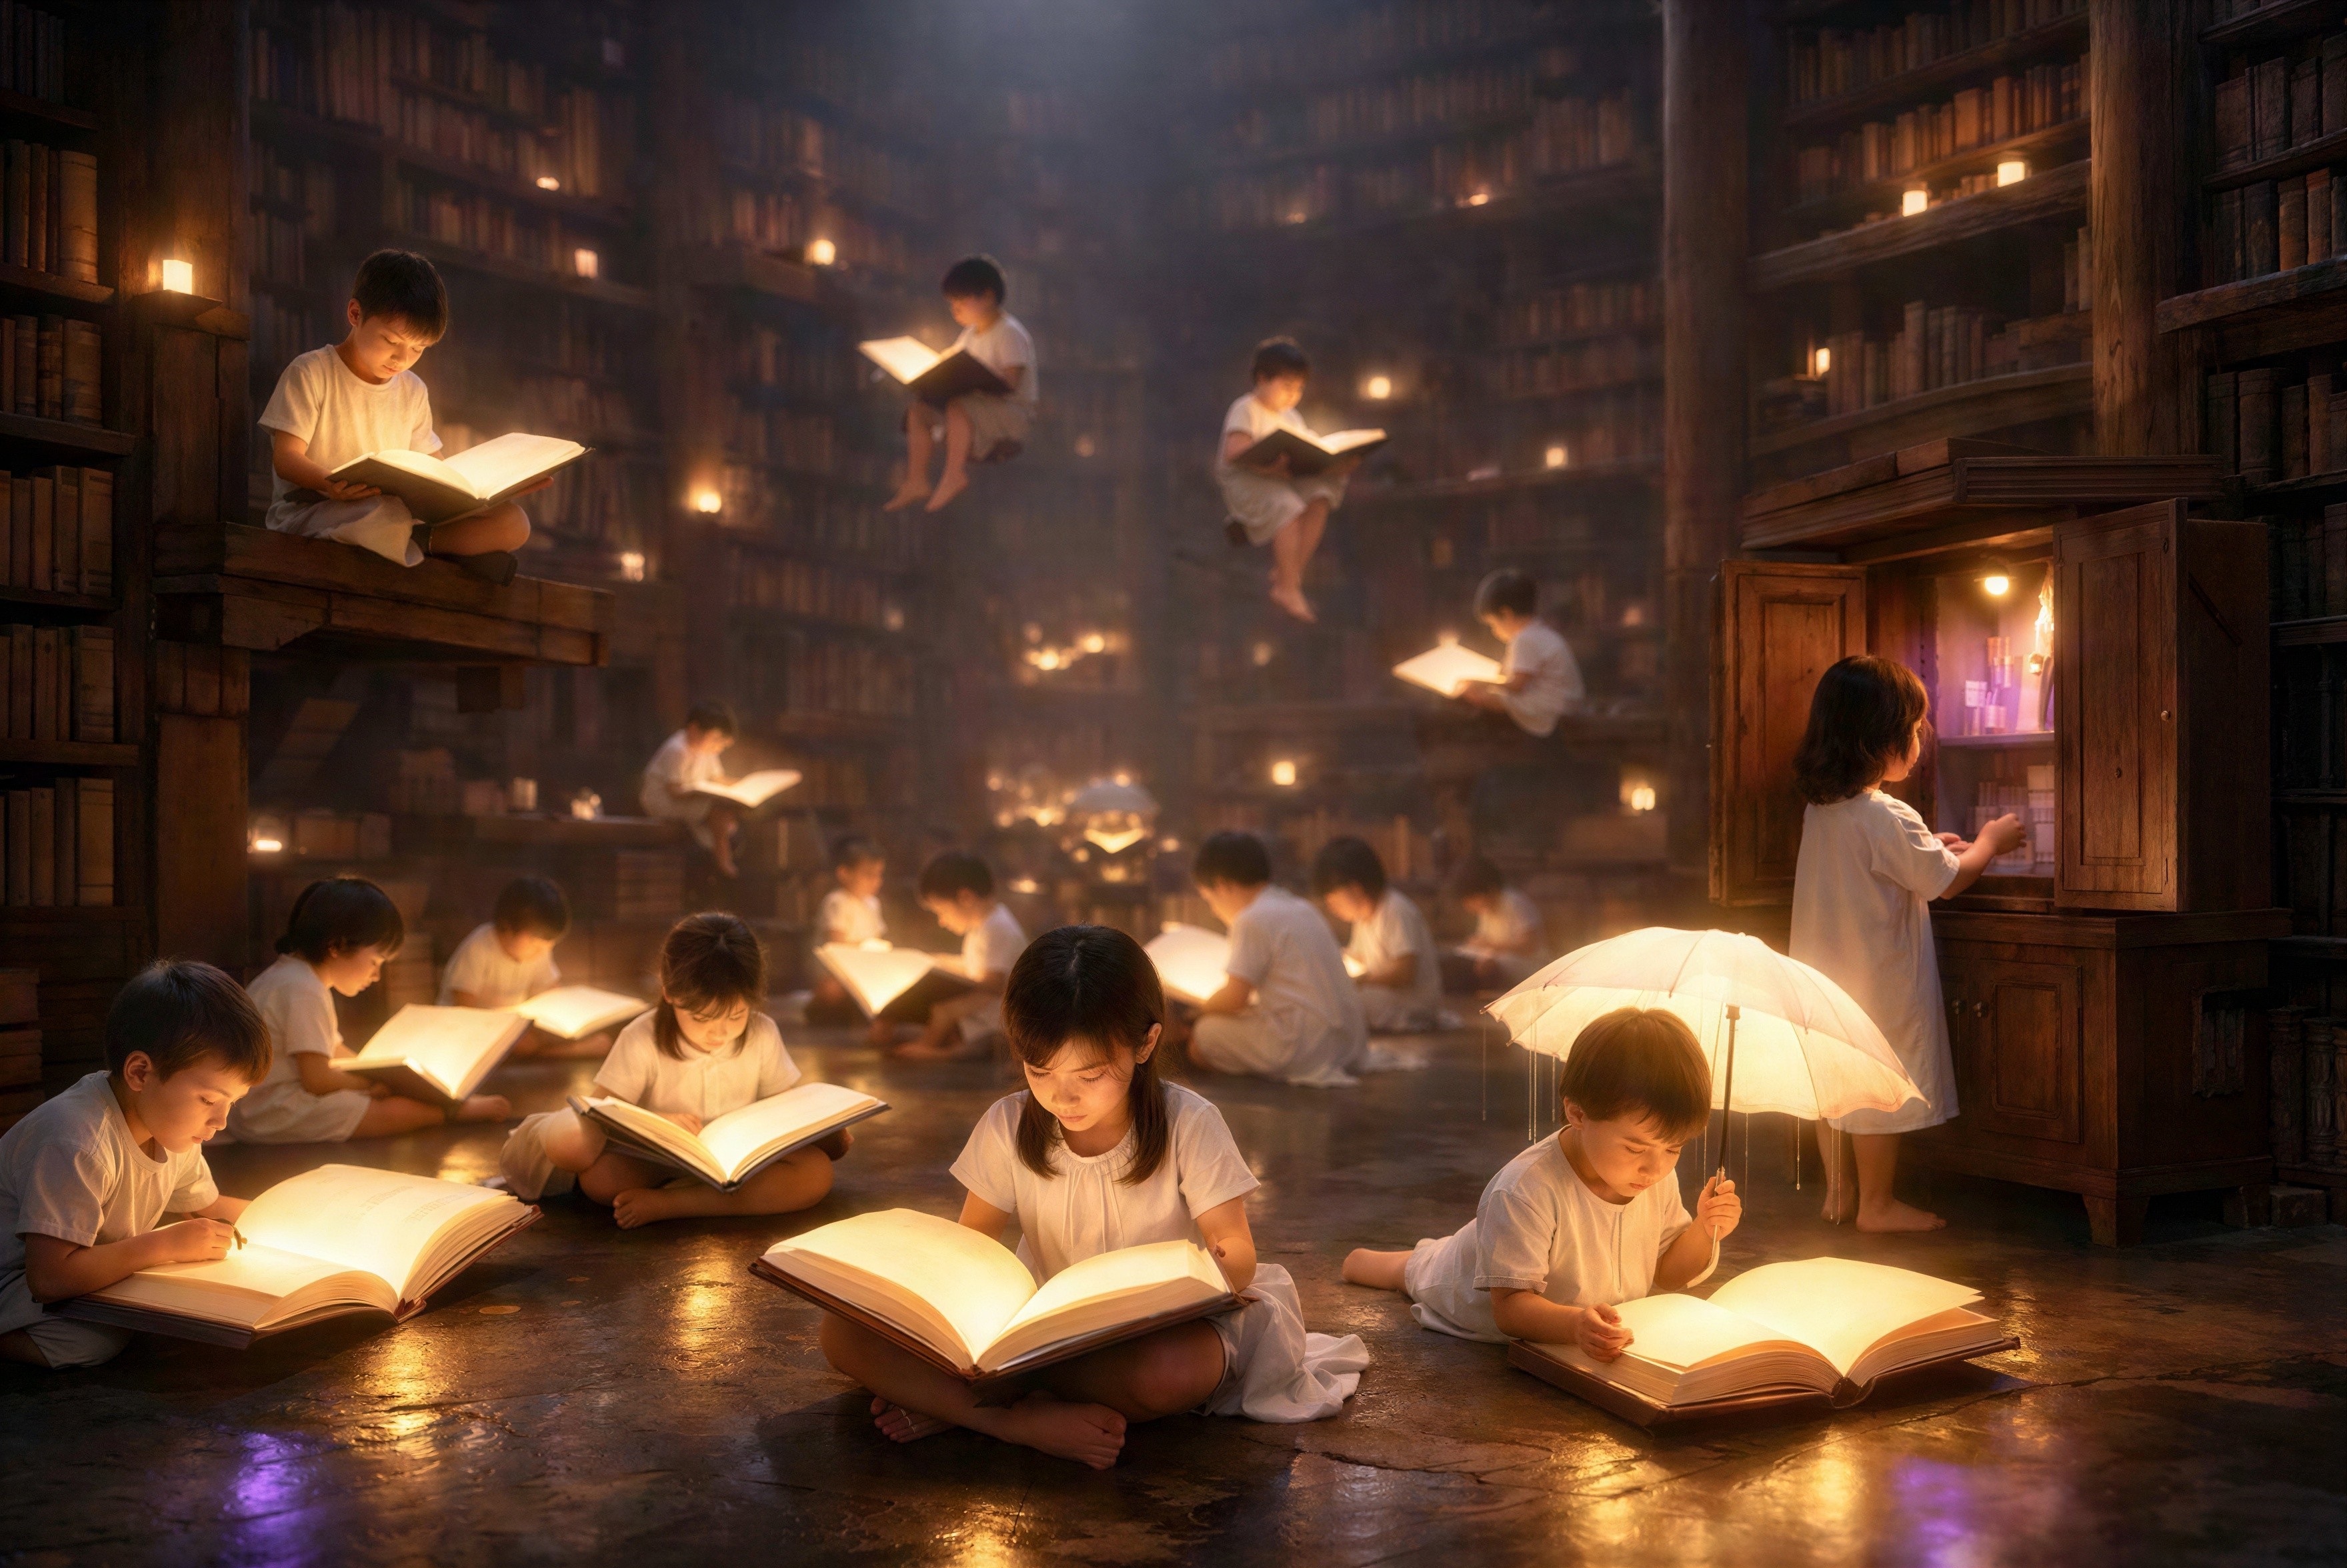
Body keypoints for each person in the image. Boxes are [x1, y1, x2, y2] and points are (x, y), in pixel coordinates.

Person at [819, 925, 1368, 1468]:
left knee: (1165, 1374)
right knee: (841, 1332)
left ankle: (968, 1400)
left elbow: (1238, 1251)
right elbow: (972, 1253)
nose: (1064, 1097)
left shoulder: (1188, 1123)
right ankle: (1009, 1418)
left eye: (1090, 1075)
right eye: (1040, 1071)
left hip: (1157, 1331)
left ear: (1145, 1043)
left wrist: (1212, 1271)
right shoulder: (1008, 1125)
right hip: (1046, 1328)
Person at [1343, 1007, 1740, 1355]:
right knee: (1417, 1269)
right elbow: (1510, 1307)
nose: (1655, 1168)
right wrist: (1574, 1326)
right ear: (1578, 1113)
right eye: (1635, 1148)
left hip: (1546, 1285)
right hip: (1467, 1287)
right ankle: (1369, 1260)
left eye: (1674, 1148)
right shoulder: (1525, 1189)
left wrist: (1706, 1230)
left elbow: (1666, 1273)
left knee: (1443, 1252)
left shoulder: (1654, 1176)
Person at [1790, 655, 2024, 1233]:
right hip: (1879, 979)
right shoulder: (1888, 814)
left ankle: (1839, 1194)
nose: (1922, 739)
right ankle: (1877, 1204)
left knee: (1833, 1084)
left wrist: (1930, 845)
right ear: (1880, 739)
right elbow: (1949, 880)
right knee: (1877, 1084)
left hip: (1825, 977)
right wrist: (1989, 842)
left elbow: (1893, 862)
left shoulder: (1824, 809)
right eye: (1914, 728)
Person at [497, 912, 848, 1228]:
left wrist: (820, 1131)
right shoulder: (642, 1036)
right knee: (601, 1178)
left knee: (815, 1173)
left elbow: (785, 1108)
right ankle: (693, 1192)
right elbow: (601, 1114)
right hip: (663, 1162)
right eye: (702, 1018)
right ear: (669, 992)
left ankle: (677, 1204)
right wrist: (658, 1121)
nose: (719, 1033)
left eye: (736, 1015)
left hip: (738, 1163)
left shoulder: (762, 1032)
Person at [0, 962, 269, 1369]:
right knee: (88, 1340)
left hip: (75, 1268)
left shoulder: (173, 1129)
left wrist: (295, 1217)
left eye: (233, 1102)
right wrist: (165, 1245)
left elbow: (207, 1206)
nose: (221, 1121)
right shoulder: (78, 1141)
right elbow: (50, 1278)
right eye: (209, 1100)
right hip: (15, 1277)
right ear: (140, 1073)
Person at [258, 248, 545, 583]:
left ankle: (415, 542)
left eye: (418, 349)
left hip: (396, 515)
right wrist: (330, 484)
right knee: (380, 512)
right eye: (391, 340)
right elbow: (287, 458)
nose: (402, 358)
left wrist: (490, 492)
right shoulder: (312, 372)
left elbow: (435, 467)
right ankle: (428, 545)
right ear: (355, 314)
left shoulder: (412, 389)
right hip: (317, 510)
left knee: (514, 522)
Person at [229, 878, 510, 1143]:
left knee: (378, 1097)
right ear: (337, 945)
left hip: (255, 1108)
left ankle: (446, 1103)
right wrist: (370, 1085)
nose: (376, 976)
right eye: (375, 962)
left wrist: (382, 1073)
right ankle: (453, 1112)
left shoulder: (292, 977)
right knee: (386, 1111)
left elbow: (333, 1050)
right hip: (271, 1112)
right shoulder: (304, 989)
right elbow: (318, 1080)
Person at [1178, 831, 1367, 1086]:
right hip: (1349, 1046)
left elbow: (1235, 999)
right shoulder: (1302, 908)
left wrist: (1199, 1011)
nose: (1214, 911)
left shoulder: (1252, 918)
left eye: (1210, 900)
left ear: (1223, 886)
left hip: (1307, 1048)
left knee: (1205, 1033)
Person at [1216, 337, 1360, 623]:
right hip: (1247, 481)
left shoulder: (1291, 418)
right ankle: (1288, 587)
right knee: (1289, 509)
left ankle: (1289, 575)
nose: (1293, 396)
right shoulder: (1246, 408)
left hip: (1281, 479)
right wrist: (1268, 464)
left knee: (1321, 495)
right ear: (1262, 379)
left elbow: (1306, 453)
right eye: (1287, 387)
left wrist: (1336, 464)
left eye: (1299, 389)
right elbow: (1234, 451)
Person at [884, 254, 1035, 514]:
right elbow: (949, 363)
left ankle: (954, 474)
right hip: (974, 409)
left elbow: (1012, 381)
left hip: (1009, 414)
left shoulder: (1009, 331)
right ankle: (916, 480)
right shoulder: (969, 335)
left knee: (958, 406)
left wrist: (972, 381)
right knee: (918, 411)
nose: (955, 309)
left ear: (987, 296)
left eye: (961, 301)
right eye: (952, 303)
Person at [439, 875, 603, 1059]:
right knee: (524, 1044)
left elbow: (551, 995)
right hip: (471, 1030)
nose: (543, 951)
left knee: (593, 1038)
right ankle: (557, 1054)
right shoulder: (479, 947)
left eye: (549, 945)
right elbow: (464, 1011)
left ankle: (554, 1051)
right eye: (535, 942)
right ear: (507, 927)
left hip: (515, 1027)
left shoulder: (539, 952)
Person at [893, 851, 1027, 1061]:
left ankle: (937, 1054)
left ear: (966, 898)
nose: (942, 921)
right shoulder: (982, 926)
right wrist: (935, 962)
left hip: (999, 1021)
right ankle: (933, 1045)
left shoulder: (998, 928)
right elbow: (977, 965)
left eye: (942, 911)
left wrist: (951, 1005)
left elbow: (993, 984)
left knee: (961, 1029)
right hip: (981, 1016)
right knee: (924, 1023)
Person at [1310, 835, 1444, 1032]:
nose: (1333, 910)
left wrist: (1360, 981)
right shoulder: (1363, 920)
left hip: (1411, 1003)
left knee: (1344, 1004)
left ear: (1355, 889)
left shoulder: (1395, 910)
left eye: (1335, 902)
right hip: (1386, 998)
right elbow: (1358, 958)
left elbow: (1404, 973)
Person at [1455, 567, 1586, 738]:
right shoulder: (1539, 632)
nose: (1494, 631)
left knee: (1483, 696)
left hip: (1552, 707)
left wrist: (1481, 682)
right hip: (1565, 703)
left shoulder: (1524, 639)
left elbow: (1517, 685)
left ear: (1506, 614)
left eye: (1493, 624)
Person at [641, 699, 745, 878]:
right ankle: (723, 857)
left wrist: (741, 785)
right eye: (715, 739)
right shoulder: (677, 750)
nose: (718, 746)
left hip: (688, 797)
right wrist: (700, 792)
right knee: (716, 812)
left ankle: (721, 850)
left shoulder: (708, 750)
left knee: (726, 814)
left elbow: (717, 778)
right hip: (664, 800)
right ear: (694, 730)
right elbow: (674, 790)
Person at [804, 836, 891, 1038]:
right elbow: (837, 944)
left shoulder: (873, 904)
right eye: (868, 875)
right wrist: (866, 946)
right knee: (834, 991)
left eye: (879, 875)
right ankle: (821, 1009)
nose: (876, 882)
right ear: (844, 874)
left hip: (865, 968)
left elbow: (878, 937)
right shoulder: (837, 902)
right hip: (838, 971)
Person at [1448, 855, 1546, 990]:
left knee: (1491, 966)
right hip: (1498, 955)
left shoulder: (1514, 902)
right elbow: (1484, 940)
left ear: (1490, 890)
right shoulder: (1486, 910)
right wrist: (1478, 943)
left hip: (1526, 963)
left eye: (1473, 899)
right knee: (1460, 957)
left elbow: (1529, 946)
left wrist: (1492, 946)